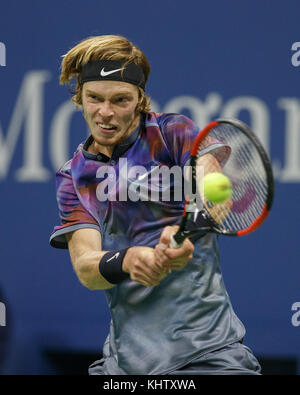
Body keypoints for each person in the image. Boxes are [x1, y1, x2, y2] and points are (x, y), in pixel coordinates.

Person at [49, 35, 261, 375]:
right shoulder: (73, 175)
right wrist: (128, 260)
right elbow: (86, 267)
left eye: (120, 100)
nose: (106, 112)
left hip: (207, 355)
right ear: (79, 97)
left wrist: (191, 225)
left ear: (139, 99)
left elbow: (213, 188)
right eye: (95, 98)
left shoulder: (173, 132)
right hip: (124, 365)